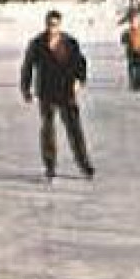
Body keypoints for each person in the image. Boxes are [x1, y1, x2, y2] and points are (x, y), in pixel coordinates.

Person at [19, 10, 94, 183]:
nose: (52, 28)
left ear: (60, 25)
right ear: (46, 24)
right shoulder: (37, 44)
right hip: (46, 92)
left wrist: (79, 80)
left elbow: (80, 63)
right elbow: (28, 67)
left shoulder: (70, 43)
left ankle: (84, 165)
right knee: (48, 130)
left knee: (75, 130)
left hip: (66, 91)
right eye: (49, 24)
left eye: (55, 24)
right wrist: (26, 88)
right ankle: (50, 167)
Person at [120, 8, 140, 92]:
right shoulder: (128, 31)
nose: (135, 23)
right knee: (131, 68)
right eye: (133, 22)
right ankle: (132, 82)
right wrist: (124, 37)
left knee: (138, 69)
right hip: (131, 53)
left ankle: (137, 85)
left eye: (137, 21)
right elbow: (123, 41)